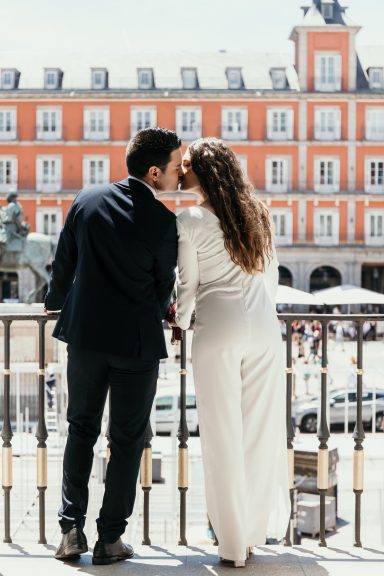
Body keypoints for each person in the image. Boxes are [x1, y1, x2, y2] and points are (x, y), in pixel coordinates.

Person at [44, 127, 182, 565]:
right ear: (155, 171)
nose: (181, 176)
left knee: (80, 430)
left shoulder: (86, 200)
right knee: (125, 441)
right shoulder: (163, 221)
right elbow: (164, 287)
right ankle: (109, 540)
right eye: (177, 168)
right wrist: (156, 311)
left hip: (84, 336)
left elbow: (64, 260)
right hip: (136, 344)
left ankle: (69, 532)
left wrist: (54, 304)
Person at [171, 138, 290, 566]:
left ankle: (232, 544)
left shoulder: (190, 218)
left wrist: (180, 321)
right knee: (257, 435)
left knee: (222, 437)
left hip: (217, 329)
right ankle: (253, 533)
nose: (179, 171)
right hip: (263, 328)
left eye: (185, 165)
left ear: (203, 170)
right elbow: (270, 278)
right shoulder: (257, 212)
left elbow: (187, 284)